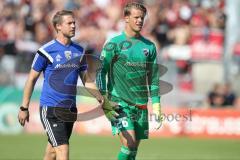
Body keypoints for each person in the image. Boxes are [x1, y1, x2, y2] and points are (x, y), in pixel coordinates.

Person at [18, 10, 103, 160]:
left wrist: (101, 99)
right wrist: (24, 107)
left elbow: (86, 79)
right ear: (58, 26)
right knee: (63, 151)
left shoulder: (79, 51)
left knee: (51, 153)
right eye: (69, 23)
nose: (73, 26)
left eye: (74, 23)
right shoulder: (46, 51)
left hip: (70, 110)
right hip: (51, 109)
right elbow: (31, 79)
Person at [97, 2, 162, 160]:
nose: (140, 21)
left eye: (142, 18)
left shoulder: (150, 47)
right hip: (119, 103)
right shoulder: (114, 44)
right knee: (129, 144)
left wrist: (156, 104)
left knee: (132, 152)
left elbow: (153, 78)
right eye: (136, 17)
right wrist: (104, 100)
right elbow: (100, 72)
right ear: (126, 18)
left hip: (140, 105)